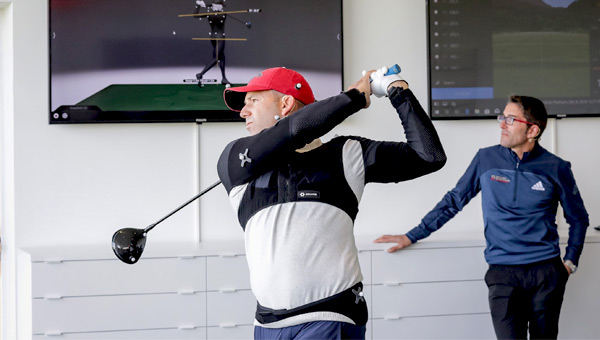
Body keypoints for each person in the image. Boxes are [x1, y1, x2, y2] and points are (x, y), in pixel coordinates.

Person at [216, 66, 447, 340]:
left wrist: (399, 91)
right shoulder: (236, 160)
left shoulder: (348, 154)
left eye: (253, 101)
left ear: (286, 103)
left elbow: (429, 155)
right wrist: (355, 96)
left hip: (330, 317)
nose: (243, 111)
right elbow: (293, 130)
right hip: (267, 326)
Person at [374, 95, 589, 339]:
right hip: (503, 273)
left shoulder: (556, 167)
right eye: (502, 117)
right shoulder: (486, 159)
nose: (502, 124)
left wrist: (570, 262)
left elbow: (578, 218)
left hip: (546, 273)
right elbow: (453, 201)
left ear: (533, 130)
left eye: (510, 119)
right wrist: (412, 235)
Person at [194, 0, 230, 85]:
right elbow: (218, 11)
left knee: (222, 57)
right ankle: (201, 74)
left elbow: (195, 15)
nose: (222, 7)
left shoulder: (209, 15)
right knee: (217, 58)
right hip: (220, 38)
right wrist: (208, 5)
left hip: (213, 38)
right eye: (221, 5)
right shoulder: (223, 15)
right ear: (218, 6)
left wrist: (199, 5)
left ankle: (224, 78)